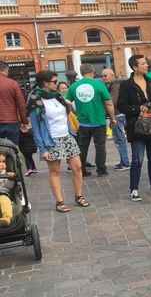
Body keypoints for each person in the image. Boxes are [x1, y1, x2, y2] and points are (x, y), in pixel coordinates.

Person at [28, 70, 90, 212]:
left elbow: (70, 114)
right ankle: (59, 201)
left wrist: (69, 104)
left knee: (77, 167)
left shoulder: (57, 97)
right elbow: (36, 128)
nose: (57, 84)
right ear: (45, 83)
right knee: (55, 170)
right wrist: (42, 149)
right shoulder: (35, 100)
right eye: (54, 82)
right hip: (51, 139)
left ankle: (78, 196)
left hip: (67, 136)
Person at [117, 55, 151, 202]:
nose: (146, 65)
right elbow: (121, 106)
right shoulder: (127, 85)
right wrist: (137, 108)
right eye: (143, 63)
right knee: (137, 159)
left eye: (146, 63)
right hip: (136, 127)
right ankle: (134, 189)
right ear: (135, 67)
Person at [66, 64, 116, 177]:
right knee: (100, 147)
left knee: (82, 147)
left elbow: (67, 101)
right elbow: (109, 103)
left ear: (81, 72)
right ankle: (101, 170)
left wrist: (74, 113)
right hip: (98, 121)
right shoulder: (99, 85)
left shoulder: (74, 87)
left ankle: (81, 170)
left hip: (82, 122)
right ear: (92, 71)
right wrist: (112, 118)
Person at [101, 69, 130, 172]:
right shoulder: (112, 86)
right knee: (118, 139)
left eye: (106, 75)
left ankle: (125, 163)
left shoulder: (115, 86)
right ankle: (123, 161)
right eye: (103, 76)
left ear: (112, 76)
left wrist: (104, 106)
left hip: (118, 115)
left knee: (120, 139)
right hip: (117, 115)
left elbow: (112, 101)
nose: (104, 77)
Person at [0, 61, 29, 145]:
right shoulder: (12, 83)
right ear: (6, 69)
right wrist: (24, 121)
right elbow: (21, 105)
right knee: (13, 148)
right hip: (11, 121)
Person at [0, 154, 15, 226]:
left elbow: (9, 186)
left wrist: (10, 178)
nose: (2, 164)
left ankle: (6, 218)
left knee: (5, 201)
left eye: (3, 162)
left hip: (2, 193)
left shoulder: (6, 174)